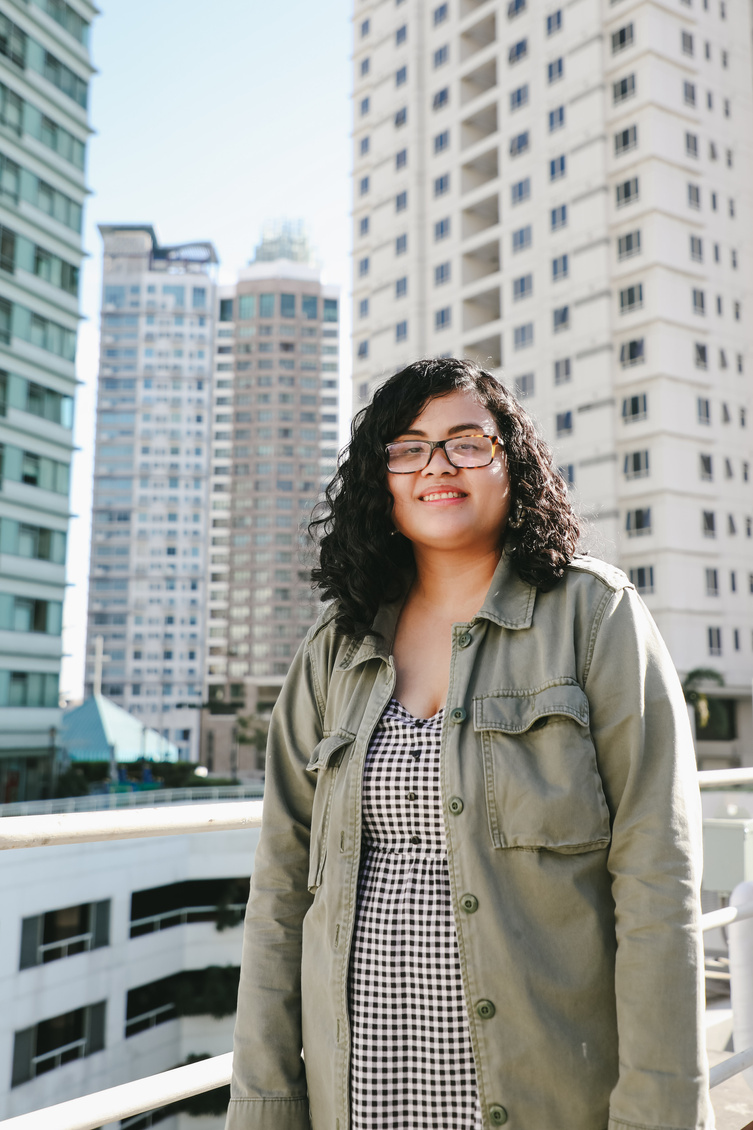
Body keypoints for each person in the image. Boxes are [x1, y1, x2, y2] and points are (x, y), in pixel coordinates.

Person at [226, 358, 713, 1130]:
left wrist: (657, 1113)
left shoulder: (595, 617)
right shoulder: (334, 644)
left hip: (546, 1094)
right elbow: (281, 891)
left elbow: (656, 882)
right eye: (408, 448)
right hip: (357, 1098)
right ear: (381, 479)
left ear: (510, 462)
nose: (437, 467)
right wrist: (264, 1106)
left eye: (466, 442)